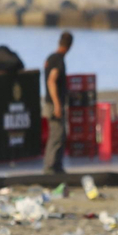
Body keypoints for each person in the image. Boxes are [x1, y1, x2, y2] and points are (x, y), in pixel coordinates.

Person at [43, 31, 73, 174]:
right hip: (54, 103)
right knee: (57, 134)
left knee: (59, 134)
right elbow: (51, 81)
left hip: (51, 102)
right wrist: (57, 104)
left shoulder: (51, 57)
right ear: (70, 46)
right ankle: (50, 167)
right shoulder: (58, 60)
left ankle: (57, 166)